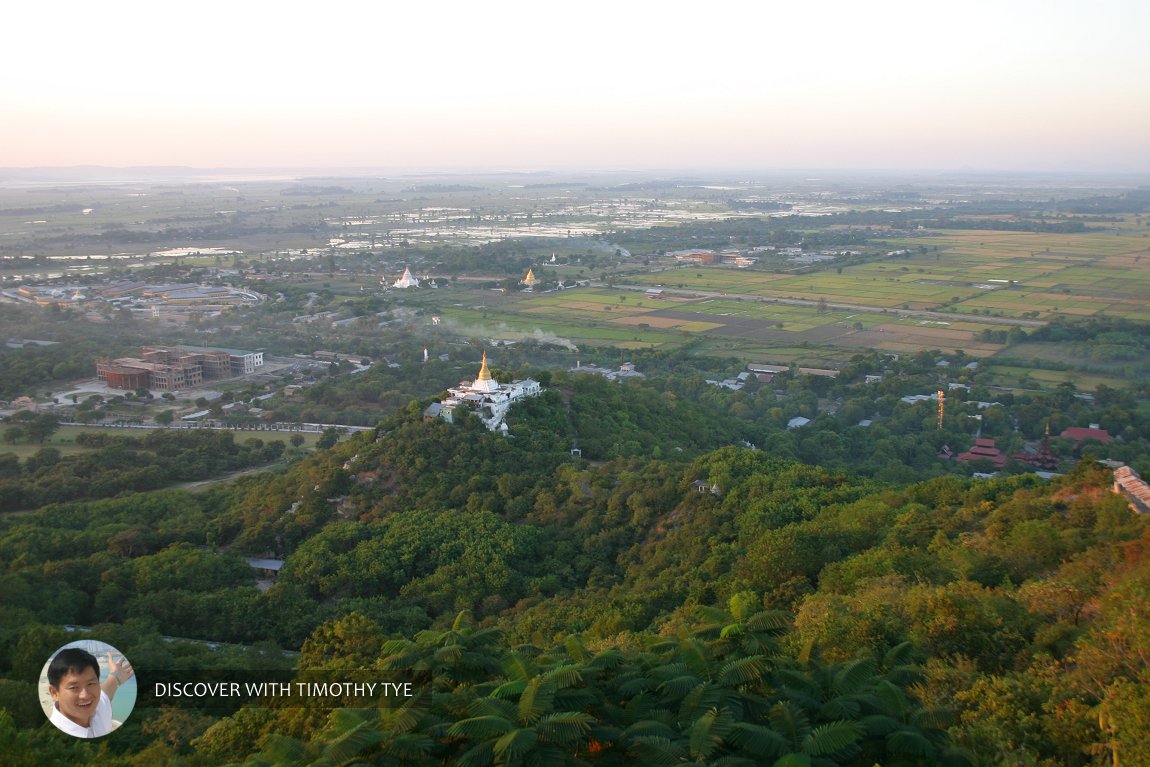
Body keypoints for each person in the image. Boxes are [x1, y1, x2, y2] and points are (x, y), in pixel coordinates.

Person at [46, 648, 133, 738]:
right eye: (74, 687)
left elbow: (106, 692)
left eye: (91, 684)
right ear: (54, 693)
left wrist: (116, 676)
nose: (85, 695)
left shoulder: (98, 707)